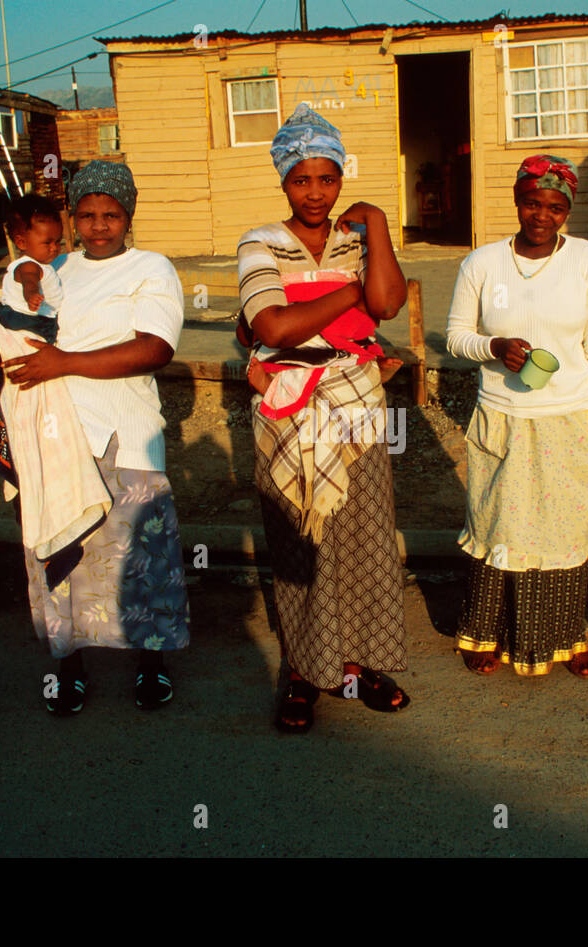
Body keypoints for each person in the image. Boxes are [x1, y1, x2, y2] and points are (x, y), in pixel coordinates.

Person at [236, 103, 410, 733]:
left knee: (364, 538)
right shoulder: (260, 243)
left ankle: (361, 663)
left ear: (342, 178)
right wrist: (347, 293)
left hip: (356, 407)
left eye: (328, 178)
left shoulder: (357, 240)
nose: (316, 192)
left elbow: (388, 304)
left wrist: (381, 226)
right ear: (284, 181)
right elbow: (271, 325)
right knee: (300, 545)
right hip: (288, 412)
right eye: (301, 179)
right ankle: (306, 671)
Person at [1, 160, 190, 714]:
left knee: (139, 554)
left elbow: (155, 348)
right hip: (59, 438)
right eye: (87, 215)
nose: (99, 226)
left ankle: (151, 665)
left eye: (111, 214)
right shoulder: (54, 268)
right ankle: (69, 665)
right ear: (73, 217)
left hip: (127, 433)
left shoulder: (152, 267)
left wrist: (64, 363)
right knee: (64, 553)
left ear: (129, 215)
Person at [446, 154, 588, 678]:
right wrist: (493, 345)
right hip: (502, 417)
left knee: (565, 528)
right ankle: (486, 632)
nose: (541, 216)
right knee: (499, 524)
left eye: (555, 207)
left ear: (567, 210)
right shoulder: (482, 263)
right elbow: (456, 336)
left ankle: (567, 636)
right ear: (517, 203)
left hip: (569, 417)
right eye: (531, 203)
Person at [1, 194, 65, 329]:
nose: (54, 248)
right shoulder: (29, 265)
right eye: (47, 243)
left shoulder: (39, 264)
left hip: (32, 318)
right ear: (21, 242)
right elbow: (29, 281)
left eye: (58, 241)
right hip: (30, 320)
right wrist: (31, 295)